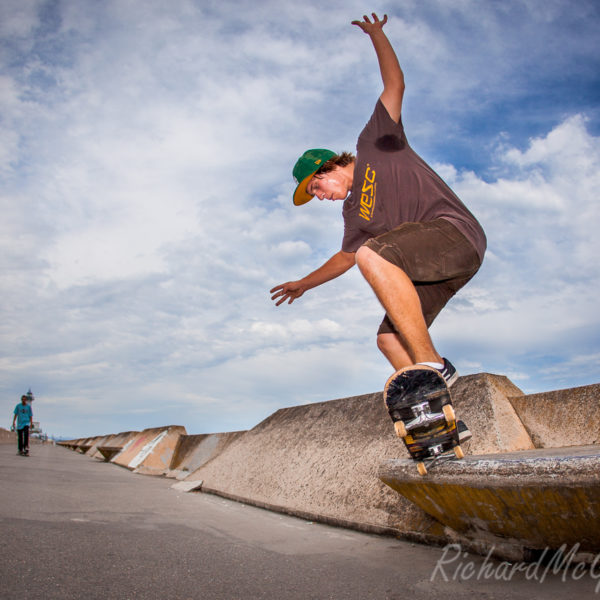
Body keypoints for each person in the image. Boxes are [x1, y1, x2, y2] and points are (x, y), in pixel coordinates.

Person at [270, 14, 486, 440]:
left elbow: (394, 86)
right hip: (431, 268)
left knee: (377, 253)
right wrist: (304, 283)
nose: (320, 196)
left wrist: (377, 35)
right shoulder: (354, 216)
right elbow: (347, 257)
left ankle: (434, 368)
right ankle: (439, 417)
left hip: (454, 234)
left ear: (328, 166)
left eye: (317, 186)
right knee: (388, 339)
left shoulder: (375, 143)